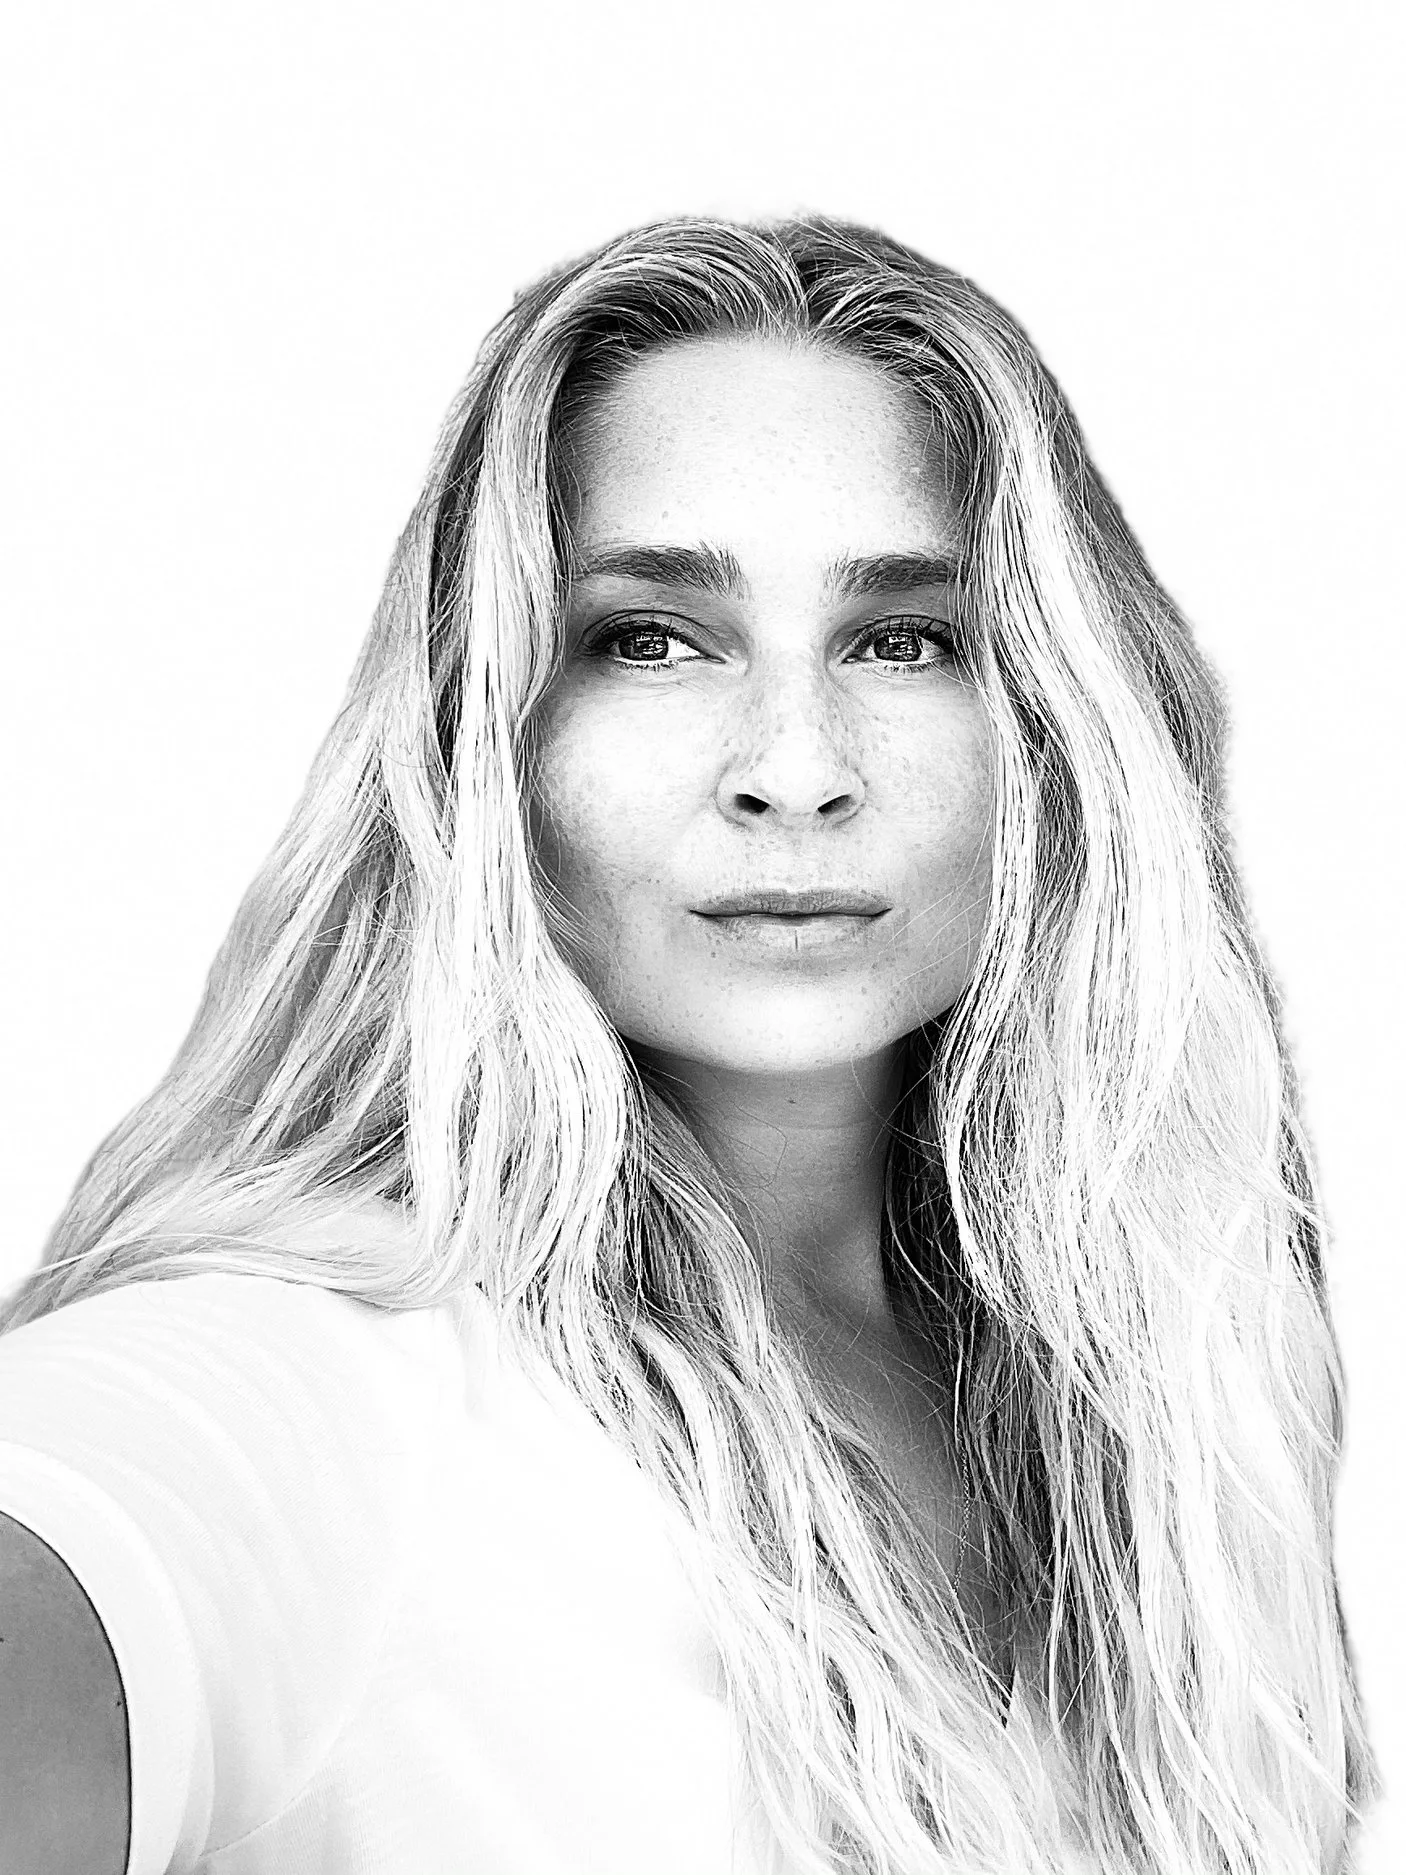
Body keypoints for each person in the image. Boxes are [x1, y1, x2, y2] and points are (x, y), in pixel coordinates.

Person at [0, 215, 1376, 1875]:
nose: (794, 766)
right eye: (648, 636)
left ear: (1055, 733)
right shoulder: (330, 1391)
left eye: (904, 637)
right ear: (486, 734)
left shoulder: (1153, 1424)